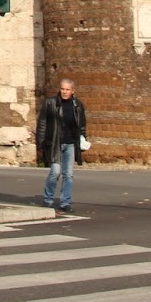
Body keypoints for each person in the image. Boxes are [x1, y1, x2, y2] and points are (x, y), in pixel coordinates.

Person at [36, 77, 86, 214]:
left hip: (70, 143)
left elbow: (81, 125)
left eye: (67, 90)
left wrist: (82, 140)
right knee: (55, 172)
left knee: (68, 174)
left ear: (72, 91)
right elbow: (42, 123)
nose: (64, 92)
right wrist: (41, 143)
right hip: (55, 143)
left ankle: (65, 202)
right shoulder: (50, 103)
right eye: (63, 89)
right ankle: (48, 199)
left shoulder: (78, 105)